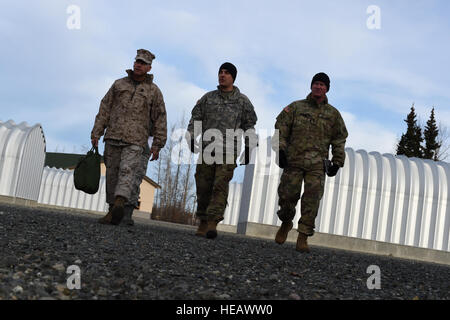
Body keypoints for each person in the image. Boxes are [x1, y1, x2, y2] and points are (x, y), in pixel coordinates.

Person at [273, 72, 348, 252]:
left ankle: (303, 236)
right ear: (311, 86)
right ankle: (285, 221)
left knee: (311, 201)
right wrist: (281, 150)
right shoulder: (295, 107)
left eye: (322, 85)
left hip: (317, 165)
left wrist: (337, 162)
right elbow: (280, 128)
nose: (318, 87)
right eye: (316, 83)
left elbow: (339, 139)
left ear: (327, 89)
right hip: (294, 160)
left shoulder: (333, 115)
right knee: (287, 197)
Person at [91, 49, 167, 225]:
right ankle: (112, 210)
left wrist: (158, 144)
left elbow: (160, 118)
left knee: (127, 172)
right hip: (113, 136)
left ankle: (120, 202)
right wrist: (96, 132)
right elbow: (105, 109)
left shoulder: (154, 91)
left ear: (149, 68)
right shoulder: (118, 85)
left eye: (142, 63)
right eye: (136, 61)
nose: (138, 65)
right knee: (112, 174)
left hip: (136, 141)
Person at [186, 62, 258, 239]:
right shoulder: (208, 98)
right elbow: (196, 118)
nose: (222, 75)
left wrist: (249, 147)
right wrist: (190, 136)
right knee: (203, 186)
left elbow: (250, 125)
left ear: (233, 77)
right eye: (220, 72)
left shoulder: (243, 101)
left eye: (226, 73)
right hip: (207, 149)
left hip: (228, 151)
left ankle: (212, 223)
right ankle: (202, 220)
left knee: (220, 186)